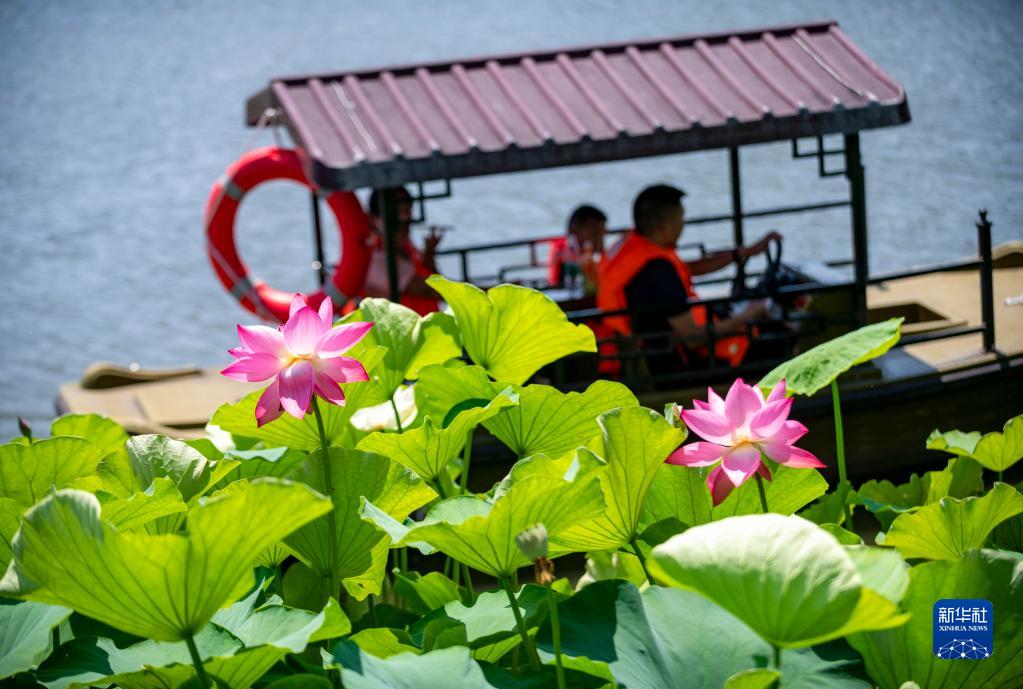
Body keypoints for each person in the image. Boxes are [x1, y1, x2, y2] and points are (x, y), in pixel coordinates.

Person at [597, 184, 780, 374]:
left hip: (655, 352)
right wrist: (747, 315)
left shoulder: (639, 252)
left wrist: (744, 253)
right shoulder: (659, 272)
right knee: (776, 342)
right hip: (684, 365)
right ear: (664, 227)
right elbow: (693, 338)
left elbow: (685, 269)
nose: (683, 224)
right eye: (681, 218)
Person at [363, 187, 441, 315]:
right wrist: (483, 291)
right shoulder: (373, 259)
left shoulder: (406, 247)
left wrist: (429, 254)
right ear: (373, 219)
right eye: (396, 212)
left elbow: (433, 281)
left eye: (407, 210)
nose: (405, 217)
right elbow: (431, 290)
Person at [547, 204, 607, 292]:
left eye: (602, 235)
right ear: (573, 230)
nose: (599, 240)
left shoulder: (593, 256)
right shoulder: (564, 252)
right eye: (594, 234)